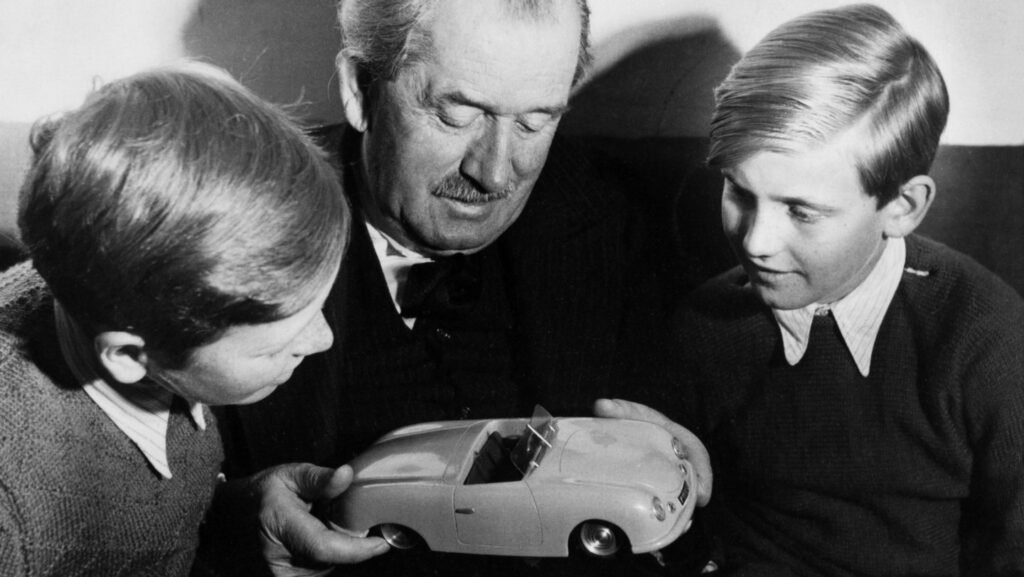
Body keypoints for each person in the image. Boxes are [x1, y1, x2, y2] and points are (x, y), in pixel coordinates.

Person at [204, 0, 713, 575]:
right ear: (360, 90)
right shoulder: (227, 231)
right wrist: (234, 519)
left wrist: (688, 458)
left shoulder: (617, 219)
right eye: (457, 115)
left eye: (535, 122)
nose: (495, 173)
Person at [675, 4, 1024, 575]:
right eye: (738, 192)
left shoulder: (989, 341)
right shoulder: (705, 323)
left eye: (802, 211)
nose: (757, 242)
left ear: (902, 207)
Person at [0, 63, 381, 576]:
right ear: (129, 357)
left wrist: (237, 514)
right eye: (274, 346)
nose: (323, 340)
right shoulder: (15, 516)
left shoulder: (132, 294)